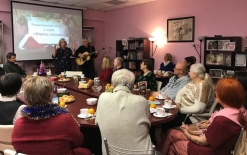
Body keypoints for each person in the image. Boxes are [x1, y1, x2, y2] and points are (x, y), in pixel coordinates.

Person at [158, 78, 247, 155]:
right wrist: (190, 131)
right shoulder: (240, 112)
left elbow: (202, 141)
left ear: (223, 96)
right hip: (216, 147)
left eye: (217, 91)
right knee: (171, 133)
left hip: (207, 151)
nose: (215, 92)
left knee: (174, 144)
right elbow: (212, 135)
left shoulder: (222, 120)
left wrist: (187, 134)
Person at [11, 77, 91, 155]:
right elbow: (78, 142)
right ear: (50, 96)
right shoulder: (65, 120)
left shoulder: (18, 124)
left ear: (26, 97)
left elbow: (16, 146)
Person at [96, 69, 153, 155]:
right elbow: (149, 124)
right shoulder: (142, 101)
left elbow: (97, 122)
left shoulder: (102, 97)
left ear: (113, 85)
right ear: (132, 86)